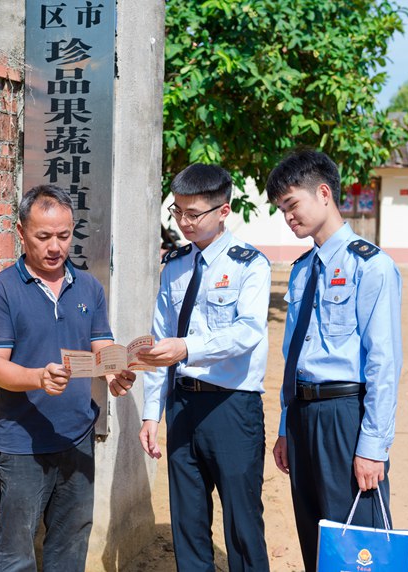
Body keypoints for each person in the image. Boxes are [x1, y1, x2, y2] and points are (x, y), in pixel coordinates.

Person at [0, 184, 135, 571]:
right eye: (43, 236)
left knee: (71, 543)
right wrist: (36, 377)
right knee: (17, 553)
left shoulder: (88, 286)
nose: (55, 247)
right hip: (22, 445)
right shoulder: (1, 291)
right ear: (20, 232)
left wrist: (116, 369)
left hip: (77, 436)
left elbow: (101, 343)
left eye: (63, 236)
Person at [266, 150, 403, 572]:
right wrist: (288, 427)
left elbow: (384, 361)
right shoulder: (303, 269)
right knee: (318, 535)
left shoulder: (371, 265)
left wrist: (373, 447)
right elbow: (294, 358)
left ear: (323, 193)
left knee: (358, 543)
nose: (288, 218)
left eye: (292, 205)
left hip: (346, 415)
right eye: (281, 210)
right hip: (305, 416)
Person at [135, 164, 272, 571]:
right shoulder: (175, 264)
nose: (184, 222)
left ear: (224, 211)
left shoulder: (251, 265)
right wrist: (151, 414)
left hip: (231, 407)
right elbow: (161, 344)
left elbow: (247, 333)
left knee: (242, 523)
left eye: (194, 214)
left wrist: (186, 348)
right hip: (182, 406)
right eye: (177, 212)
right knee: (188, 522)